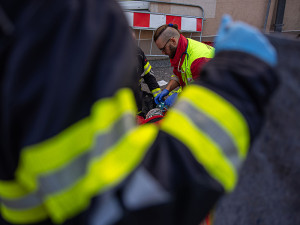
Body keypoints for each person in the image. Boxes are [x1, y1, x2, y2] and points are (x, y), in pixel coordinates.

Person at [0, 0, 278, 224]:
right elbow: (127, 205)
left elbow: (171, 77)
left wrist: (173, 95)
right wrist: (236, 83)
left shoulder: (33, 20)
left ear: (172, 42)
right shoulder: (67, 19)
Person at [153, 23, 215, 107]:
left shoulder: (198, 62)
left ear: (173, 41)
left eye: (163, 49)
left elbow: (204, 95)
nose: (163, 53)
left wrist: (180, 97)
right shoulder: (181, 48)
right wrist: (167, 89)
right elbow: (178, 74)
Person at [130, 28, 161, 119]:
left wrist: (158, 96)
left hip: (136, 101)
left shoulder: (138, 53)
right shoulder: (108, 57)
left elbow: (149, 77)